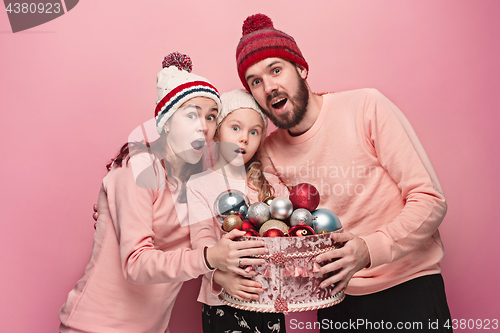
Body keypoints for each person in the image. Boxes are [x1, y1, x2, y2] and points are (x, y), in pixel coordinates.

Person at [235, 14, 452, 332]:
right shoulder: (267, 151)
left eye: (276, 70)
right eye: (255, 81)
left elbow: (431, 200)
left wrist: (368, 249)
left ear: (302, 69)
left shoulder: (367, 106)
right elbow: (276, 233)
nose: (268, 87)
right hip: (338, 304)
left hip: (410, 289)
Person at [59, 52, 268, 333]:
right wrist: (209, 259)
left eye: (210, 117)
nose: (203, 126)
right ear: (167, 122)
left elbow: (207, 239)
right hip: (96, 326)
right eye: (191, 114)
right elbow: (136, 263)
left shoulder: (198, 184)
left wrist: (220, 272)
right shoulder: (137, 169)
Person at [187, 89, 289, 333]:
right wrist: (219, 278)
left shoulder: (272, 185)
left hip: (268, 300)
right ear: (218, 131)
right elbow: (201, 245)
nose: (244, 138)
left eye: (254, 132)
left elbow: (287, 236)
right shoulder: (199, 185)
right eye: (235, 128)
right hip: (224, 300)